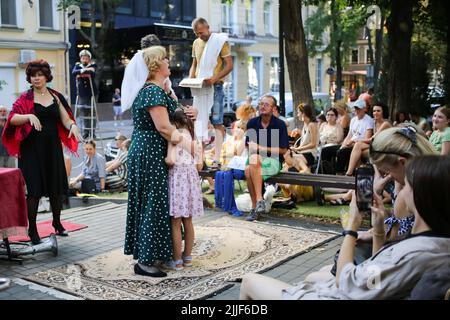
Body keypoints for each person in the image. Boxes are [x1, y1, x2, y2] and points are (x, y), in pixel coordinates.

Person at [240, 155, 450, 300]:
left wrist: (351, 226)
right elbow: (377, 279)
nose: (399, 192)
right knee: (317, 274)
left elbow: (347, 282)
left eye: (405, 186)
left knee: (249, 281)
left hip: (339, 294)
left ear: (420, 197)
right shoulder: (434, 243)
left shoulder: (415, 252)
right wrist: (378, 231)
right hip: (356, 291)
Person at [1, 59, 81, 244]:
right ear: (29, 78)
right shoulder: (25, 98)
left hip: (52, 149)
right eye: (33, 75)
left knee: (56, 189)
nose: (36, 78)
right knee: (34, 191)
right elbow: (12, 119)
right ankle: (33, 231)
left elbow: (66, 119)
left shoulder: (55, 96)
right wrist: (28, 116)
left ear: (46, 76)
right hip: (31, 151)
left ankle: (57, 222)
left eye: (40, 75)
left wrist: (73, 126)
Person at [124, 45, 185, 278]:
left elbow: (172, 116)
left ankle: (152, 254)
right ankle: (145, 262)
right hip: (149, 150)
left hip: (149, 148)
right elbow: (162, 127)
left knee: (154, 201)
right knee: (153, 202)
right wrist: (187, 143)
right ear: (155, 65)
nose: (169, 62)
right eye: (165, 59)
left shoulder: (159, 90)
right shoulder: (151, 91)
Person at [189, 17, 233, 168]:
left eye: (201, 32)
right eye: (196, 33)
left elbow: (229, 66)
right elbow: (194, 65)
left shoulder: (220, 41)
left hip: (216, 87)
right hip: (199, 86)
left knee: (217, 121)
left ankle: (217, 159)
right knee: (198, 121)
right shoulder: (196, 43)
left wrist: (214, 79)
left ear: (208, 27)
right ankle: (200, 159)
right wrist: (190, 79)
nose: (199, 36)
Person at [163, 108, 203, 271]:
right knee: (189, 221)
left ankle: (177, 260)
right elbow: (200, 165)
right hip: (191, 181)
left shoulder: (174, 137)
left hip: (178, 181)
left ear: (175, 123)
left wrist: (167, 156)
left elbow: (171, 160)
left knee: (175, 222)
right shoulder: (195, 139)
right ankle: (188, 258)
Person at [245, 95, 289, 221]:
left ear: (273, 108)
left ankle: (255, 207)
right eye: (261, 104)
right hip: (256, 160)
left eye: (266, 104)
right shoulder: (252, 123)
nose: (262, 106)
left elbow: (283, 150)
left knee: (249, 169)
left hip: (273, 160)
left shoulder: (279, 124)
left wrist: (262, 148)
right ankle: (259, 202)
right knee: (252, 164)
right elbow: (249, 146)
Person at [345, 103, 391, 176]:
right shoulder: (374, 122)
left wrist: (354, 140)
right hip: (376, 146)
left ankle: (352, 173)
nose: (375, 113)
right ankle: (356, 174)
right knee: (358, 148)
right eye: (374, 111)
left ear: (383, 112)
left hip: (385, 148)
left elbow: (372, 139)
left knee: (358, 146)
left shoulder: (386, 124)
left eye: (378, 111)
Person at [335, 99, 374, 174]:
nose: (356, 110)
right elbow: (349, 135)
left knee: (342, 152)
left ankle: (342, 174)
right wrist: (343, 145)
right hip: (351, 143)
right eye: (355, 108)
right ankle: (333, 173)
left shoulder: (368, 120)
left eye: (358, 108)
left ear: (364, 109)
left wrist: (352, 142)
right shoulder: (353, 120)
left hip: (360, 144)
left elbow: (366, 138)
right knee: (335, 150)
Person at [72, 49, 97, 139]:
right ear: (80, 59)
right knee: (84, 114)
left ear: (89, 59)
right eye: (83, 58)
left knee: (92, 114)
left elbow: (92, 72)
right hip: (82, 93)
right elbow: (74, 73)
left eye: (86, 58)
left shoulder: (93, 65)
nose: (84, 60)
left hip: (91, 93)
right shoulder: (77, 65)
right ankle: (85, 132)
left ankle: (92, 132)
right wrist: (84, 70)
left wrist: (82, 72)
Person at [290, 104, 319, 173]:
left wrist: (297, 149)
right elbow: (307, 138)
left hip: (310, 154)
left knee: (290, 159)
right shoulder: (305, 124)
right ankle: (304, 173)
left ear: (304, 113)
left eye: (298, 112)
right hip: (303, 152)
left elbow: (313, 144)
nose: (297, 115)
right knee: (288, 157)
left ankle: (306, 172)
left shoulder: (312, 125)